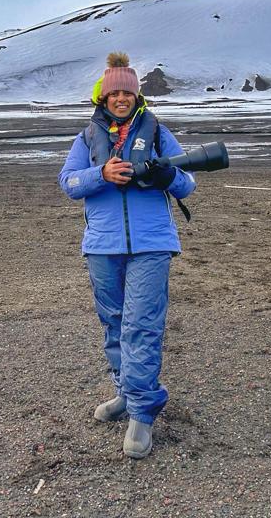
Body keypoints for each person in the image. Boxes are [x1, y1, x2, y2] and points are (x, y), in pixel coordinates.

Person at [58, 52, 197, 459]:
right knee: (114, 321)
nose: (121, 98)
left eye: (128, 92)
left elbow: (188, 184)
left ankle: (141, 412)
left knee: (142, 325)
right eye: (114, 92)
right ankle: (124, 392)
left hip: (152, 244)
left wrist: (168, 174)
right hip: (102, 245)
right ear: (103, 98)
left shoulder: (157, 133)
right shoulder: (87, 137)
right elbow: (68, 183)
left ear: (138, 97)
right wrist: (99, 175)